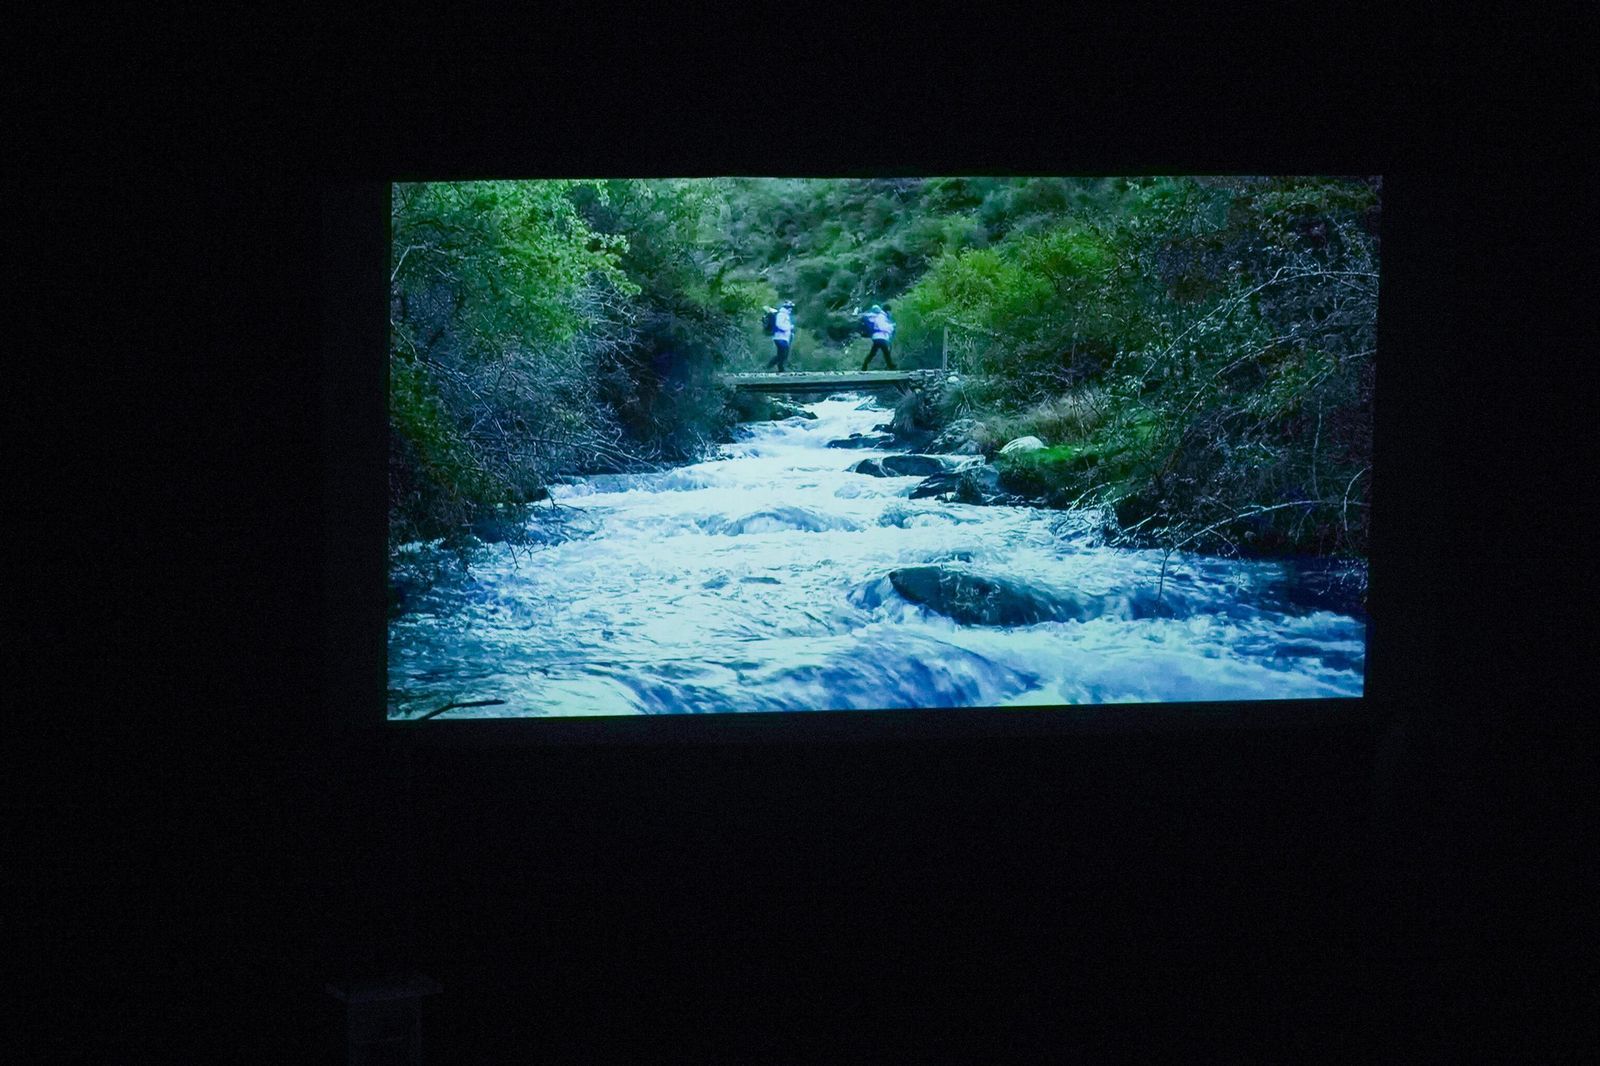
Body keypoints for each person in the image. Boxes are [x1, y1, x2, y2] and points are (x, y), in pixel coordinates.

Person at [859, 303, 896, 370]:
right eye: (890, 311)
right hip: (880, 337)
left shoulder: (882, 316)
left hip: (878, 337)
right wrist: (891, 326)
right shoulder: (881, 317)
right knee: (886, 352)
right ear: (887, 311)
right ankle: (891, 366)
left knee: (873, 353)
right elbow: (882, 326)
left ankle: (864, 366)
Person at [765, 300, 796, 371]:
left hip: (783, 338)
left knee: (782, 355)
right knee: (782, 355)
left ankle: (780, 369)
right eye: (790, 307)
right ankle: (769, 367)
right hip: (780, 338)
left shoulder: (785, 315)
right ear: (786, 307)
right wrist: (789, 327)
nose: (791, 309)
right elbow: (779, 325)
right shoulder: (781, 314)